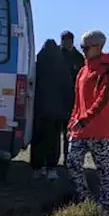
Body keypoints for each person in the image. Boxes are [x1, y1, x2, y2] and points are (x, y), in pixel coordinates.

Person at [65, 31, 109, 208]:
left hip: (98, 131)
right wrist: (73, 121)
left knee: (103, 169)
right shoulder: (82, 71)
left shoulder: (108, 73)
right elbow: (78, 101)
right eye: (82, 47)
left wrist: (85, 119)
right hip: (79, 129)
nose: (83, 51)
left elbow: (103, 100)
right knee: (72, 163)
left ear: (97, 47)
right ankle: (85, 198)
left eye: (85, 48)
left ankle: (104, 203)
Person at [31, 39, 72, 179]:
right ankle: (52, 168)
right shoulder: (63, 68)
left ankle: (37, 167)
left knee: (38, 139)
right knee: (54, 141)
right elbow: (69, 91)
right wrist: (68, 109)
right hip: (57, 112)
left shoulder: (37, 67)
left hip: (39, 110)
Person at [59, 31, 86, 156]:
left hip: (73, 99)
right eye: (64, 40)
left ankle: (68, 156)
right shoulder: (57, 55)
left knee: (70, 130)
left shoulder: (78, 57)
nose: (66, 43)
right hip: (58, 98)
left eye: (68, 40)